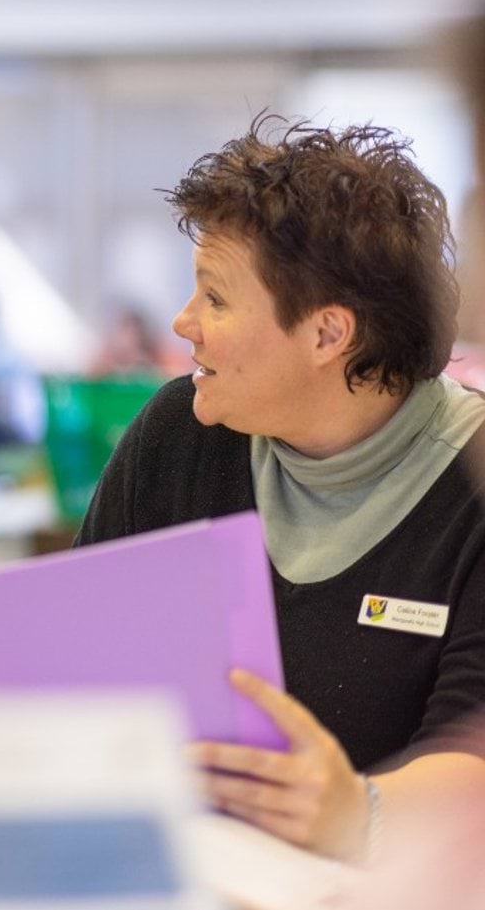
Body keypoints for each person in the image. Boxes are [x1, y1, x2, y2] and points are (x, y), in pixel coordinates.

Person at [76, 117, 485, 861]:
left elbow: (474, 762)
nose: (183, 322)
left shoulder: (474, 487)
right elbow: (79, 652)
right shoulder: (179, 432)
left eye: (216, 298)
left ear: (329, 335)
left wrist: (355, 809)